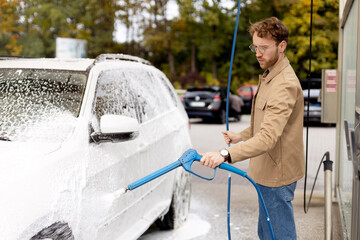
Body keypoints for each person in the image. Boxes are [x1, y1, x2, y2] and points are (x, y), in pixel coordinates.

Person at [200, 17, 305, 239]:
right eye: (255, 47)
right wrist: (240, 136)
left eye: (264, 48)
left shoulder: (284, 83)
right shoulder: (270, 75)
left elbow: (268, 137)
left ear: (282, 46)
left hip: (277, 175)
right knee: (265, 233)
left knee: (277, 236)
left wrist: (224, 154)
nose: (258, 53)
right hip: (265, 171)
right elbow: (264, 122)